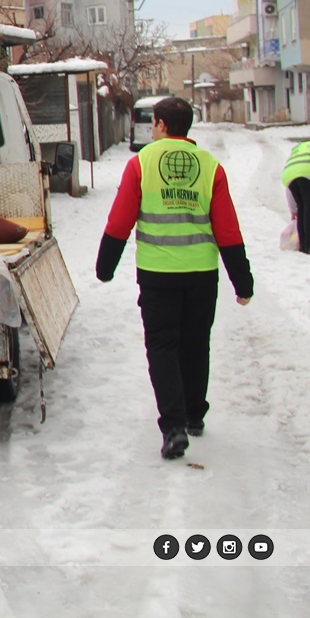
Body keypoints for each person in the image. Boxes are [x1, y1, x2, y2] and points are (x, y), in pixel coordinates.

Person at [95, 97, 254, 461]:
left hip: (158, 276)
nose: (152, 129)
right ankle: (195, 415)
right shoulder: (211, 167)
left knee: (163, 348)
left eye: (154, 123)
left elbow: (120, 221)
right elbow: (228, 230)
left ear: (163, 125)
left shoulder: (141, 164)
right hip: (201, 275)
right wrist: (242, 282)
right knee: (196, 344)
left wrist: (106, 267)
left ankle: (174, 427)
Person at [283, 139, 310, 254]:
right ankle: (308, 246)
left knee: (302, 208)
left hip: (288, 174)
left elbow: (289, 191)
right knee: (308, 206)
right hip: (306, 171)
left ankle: (303, 245)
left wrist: (293, 210)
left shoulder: (298, 149)